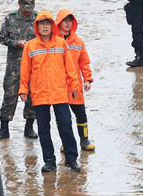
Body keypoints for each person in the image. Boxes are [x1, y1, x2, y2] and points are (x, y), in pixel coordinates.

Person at [19, 11, 82, 173]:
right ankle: (49, 160)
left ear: (52, 26)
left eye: (47, 23)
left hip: (60, 92)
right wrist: (23, 89)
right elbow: (25, 71)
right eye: (41, 24)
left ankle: (71, 159)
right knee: (43, 129)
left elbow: (70, 68)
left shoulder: (61, 44)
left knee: (66, 126)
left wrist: (74, 86)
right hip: (39, 94)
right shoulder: (30, 46)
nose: (45, 26)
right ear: (37, 26)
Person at [0, 0, 37, 141]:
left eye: (29, 8)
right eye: (25, 8)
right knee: (9, 95)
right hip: (14, 66)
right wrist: (16, 43)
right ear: (19, 4)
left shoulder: (39, 19)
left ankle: (29, 127)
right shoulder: (9, 18)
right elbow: (2, 38)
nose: (27, 11)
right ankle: (4, 128)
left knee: (32, 96)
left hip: (33, 66)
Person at [56, 9, 94, 151]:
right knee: (62, 118)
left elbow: (84, 63)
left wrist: (87, 79)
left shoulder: (78, 41)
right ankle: (65, 143)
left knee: (81, 114)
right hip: (59, 85)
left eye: (69, 20)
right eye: (64, 21)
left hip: (75, 84)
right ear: (59, 22)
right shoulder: (53, 41)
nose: (67, 23)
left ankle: (84, 140)